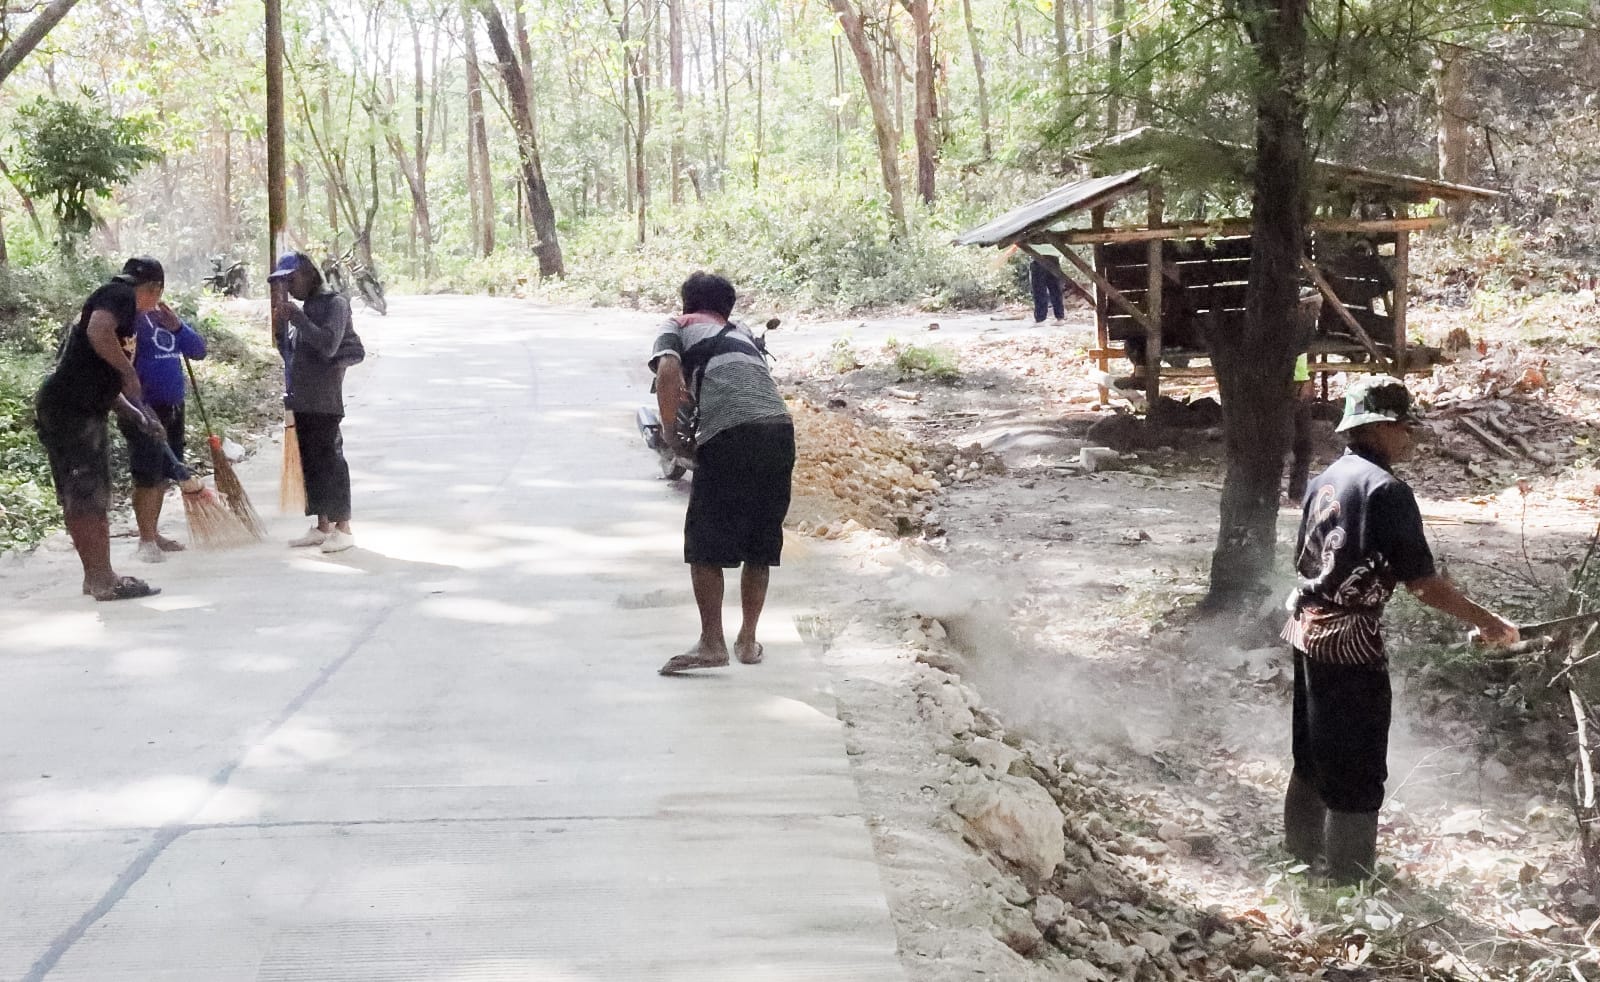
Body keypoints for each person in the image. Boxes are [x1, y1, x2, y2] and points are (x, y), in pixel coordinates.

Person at [1282, 376, 1519, 882]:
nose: (1409, 438)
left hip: (1305, 628)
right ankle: (1350, 882)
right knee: (1358, 768)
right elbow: (1424, 585)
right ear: (1382, 428)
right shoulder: (1386, 491)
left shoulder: (1327, 479)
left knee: (1312, 749)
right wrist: (1491, 622)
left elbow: (1305, 560)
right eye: (1404, 428)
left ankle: (1299, 859)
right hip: (1349, 644)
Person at [650, 272, 795, 675]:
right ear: (727, 307)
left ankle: (712, 642)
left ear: (686, 303)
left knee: (704, 542)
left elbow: (666, 373)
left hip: (731, 433)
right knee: (760, 542)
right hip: (779, 430)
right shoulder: (742, 330)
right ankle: (748, 640)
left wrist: (670, 436)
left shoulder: (677, 325)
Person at [33, 257, 170, 600]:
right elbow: (97, 331)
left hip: (80, 406)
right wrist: (128, 371)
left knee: (86, 491)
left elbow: (97, 376)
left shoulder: (121, 309)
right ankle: (101, 578)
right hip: (72, 410)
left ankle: (95, 574)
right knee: (87, 493)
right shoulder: (120, 295)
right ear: (153, 290)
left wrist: (137, 413)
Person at [269, 252, 357, 554]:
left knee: (330, 461)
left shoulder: (335, 304)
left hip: (324, 399)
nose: (289, 288)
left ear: (308, 275)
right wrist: (283, 329)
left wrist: (299, 319)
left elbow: (328, 345)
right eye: (284, 283)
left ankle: (343, 526)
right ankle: (322, 525)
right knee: (311, 465)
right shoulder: (304, 309)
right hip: (302, 398)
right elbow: (291, 354)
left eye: (291, 280)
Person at [118, 296, 207, 563]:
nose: (154, 295)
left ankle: (154, 534)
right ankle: (145, 539)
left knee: (164, 472)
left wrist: (178, 326)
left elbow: (198, 351)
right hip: (143, 409)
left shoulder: (165, 316)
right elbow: (120, 367)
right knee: (146, 473)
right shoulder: (126, 322)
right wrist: (138, 408)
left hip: (173, 406)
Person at [1283, 352, 1315, 505]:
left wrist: (1305, 378)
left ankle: (1297, 495)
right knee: (1277, 443)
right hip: (1279, 383)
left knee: (1303, 445)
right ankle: (1268, 494)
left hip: (1298, 383)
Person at [1029, 257, 1065, 325]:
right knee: (1056, 290)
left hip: (1037, 257)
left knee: (1039, 290)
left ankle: (1040, 319)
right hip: (1054, 257)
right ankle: (1060, 317)